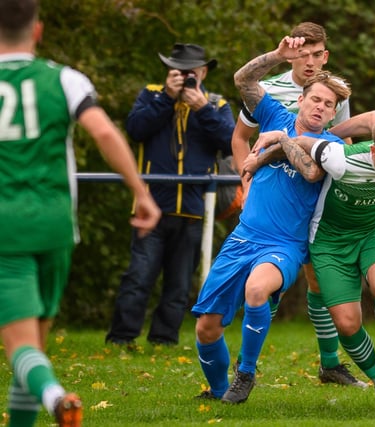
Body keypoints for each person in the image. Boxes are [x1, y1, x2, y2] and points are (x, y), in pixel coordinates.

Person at [0, 0, 161, 426]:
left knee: (20, 346)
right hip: (54, 225)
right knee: (35, 344)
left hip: (6, 228)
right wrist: (140, 192)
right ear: (37, 31)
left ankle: (55, 398)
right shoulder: (65, 79)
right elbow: (104, 130)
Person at [192, 35, 351, 404]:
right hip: (244, 237)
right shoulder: (276, 114)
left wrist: (279, 141)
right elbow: (243, 81)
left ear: (332, 114)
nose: (320, 107)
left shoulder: (332, 147)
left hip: (285, 246)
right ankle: (219, 392)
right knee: (206, 328)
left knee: (256, 290)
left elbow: (311, 172)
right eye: (315, 98)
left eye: (328, 105)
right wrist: (278, 56)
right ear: (300, 99)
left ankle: (245, 374)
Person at [254, 114, 375, 411]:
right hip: (330, 241)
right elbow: (303, 141)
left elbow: (374, 118)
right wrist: (274, 141)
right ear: (372, 150)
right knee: (346, 323)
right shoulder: (340, 159)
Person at [231, 21, 363, 388]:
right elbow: (240, 137)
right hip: (274, 203)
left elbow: (339, 145)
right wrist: (245, 185)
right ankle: (247, 362)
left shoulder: (334, 93)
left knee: (318, 278)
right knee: (267, 284)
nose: (310, 61)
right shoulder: (270, 87)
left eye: (317, 53)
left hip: (315, 196)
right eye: (303, 53)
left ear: (326, 55)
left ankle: (330, 363)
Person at [105, 43, 235, 346]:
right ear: (169, 72)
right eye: (179, 72)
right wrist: (167, 97)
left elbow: (230, 142)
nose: (186, 78)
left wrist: (201, 108)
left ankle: (164, 340)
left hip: (193, 208)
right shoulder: (151, 94)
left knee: (179, 285)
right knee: (138, 277)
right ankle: (121, 338)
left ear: (203, 73)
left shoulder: (215, 104)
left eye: (192, 73)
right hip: (150, 207)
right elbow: (136, 130)